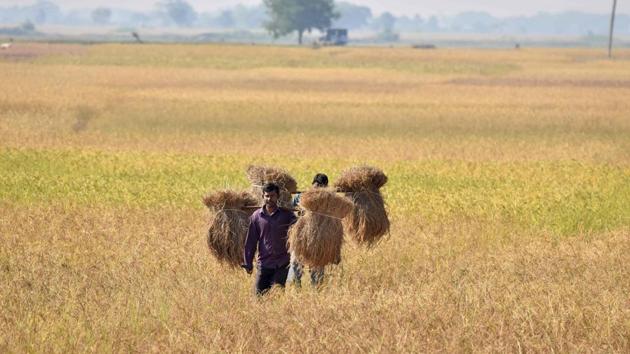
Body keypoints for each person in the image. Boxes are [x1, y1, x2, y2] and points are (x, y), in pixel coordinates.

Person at [242, 182, 297, 296]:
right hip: (264, 264)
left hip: (281, 264)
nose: (269, 199)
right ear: (262, 196)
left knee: (276, 296)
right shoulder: (256, 217)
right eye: (266, 196)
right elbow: (251, 241)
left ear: (278, 197)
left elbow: (298, 230)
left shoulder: (287, 216)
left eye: (272, 196)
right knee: (258, 297)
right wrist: (248, 263)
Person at [289, 173, 330, 288]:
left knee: (317, 267)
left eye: (321, 187)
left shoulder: (328, 201)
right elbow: (291, 211)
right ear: (312, 185)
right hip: (300, 236)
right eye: (316, 186)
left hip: (319, 238)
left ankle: (316, 291)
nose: (317, 190)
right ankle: (295, 289)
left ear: (326, 188)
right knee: (295, 264)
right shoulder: (300, 197)